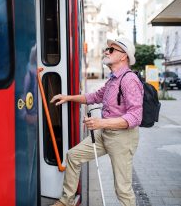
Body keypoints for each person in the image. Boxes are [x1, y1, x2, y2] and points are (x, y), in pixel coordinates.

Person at [50, 37, 144, 206]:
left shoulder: (129, 80)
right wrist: (68, 97)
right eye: (107, 49)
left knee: (122, 188)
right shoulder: (113, 79)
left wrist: (101, 123)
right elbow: (94, 97)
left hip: (122, 139)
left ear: (124, 56)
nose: (106, 52)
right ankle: (66, 201)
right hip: (105, 133)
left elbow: (135, 117)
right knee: (73, 156)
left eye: (112, 50)